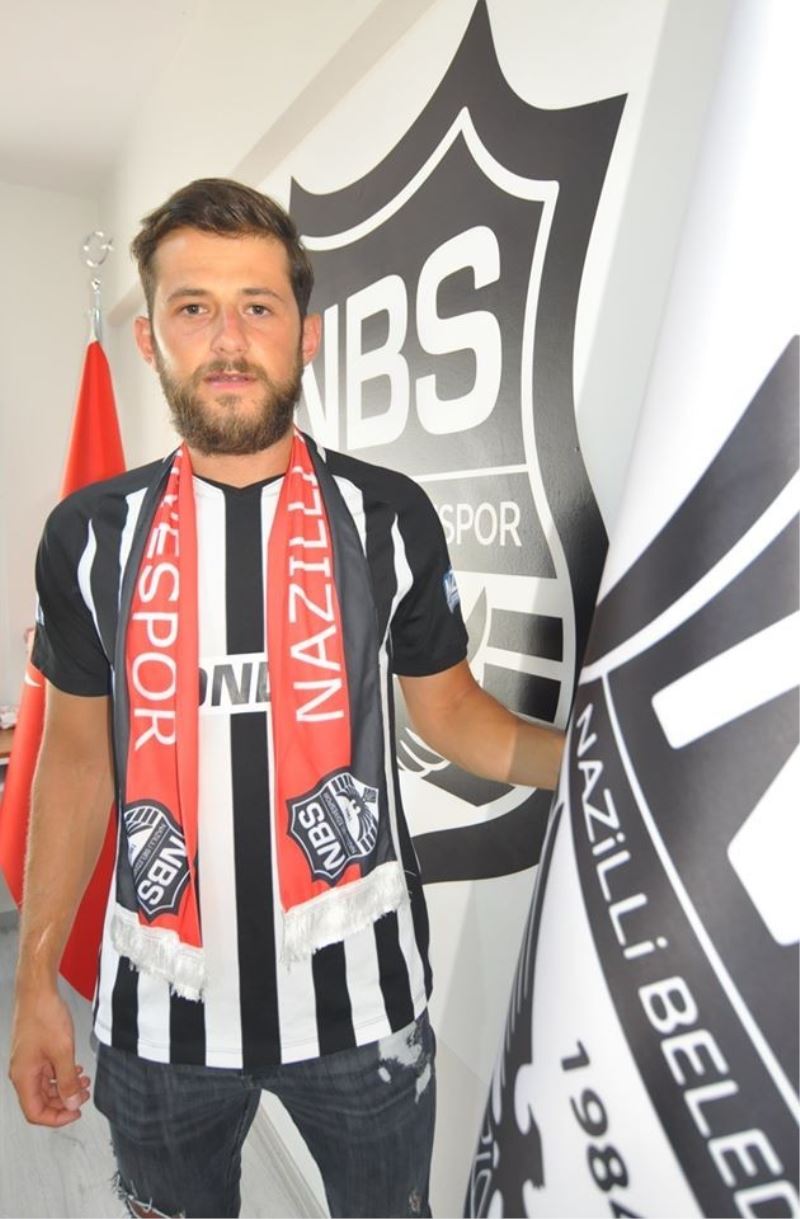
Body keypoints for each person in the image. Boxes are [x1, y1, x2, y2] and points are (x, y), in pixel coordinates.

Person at [9, 178, 564, 1219]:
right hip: (158, 1018)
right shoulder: (86, 536)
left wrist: (595, 758)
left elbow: (453, 716)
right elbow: (76, 759)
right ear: (150, 338)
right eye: (193, 307)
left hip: (364, 1012)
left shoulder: (387, 516)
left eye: (257, 306)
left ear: (304, 335)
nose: (228, 339)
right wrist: (36, 976)